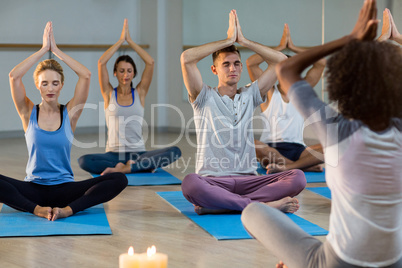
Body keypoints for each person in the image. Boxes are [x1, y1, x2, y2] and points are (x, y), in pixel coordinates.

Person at [242, 1, 402, 267]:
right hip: (395, 262)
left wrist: (350, 39)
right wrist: (396, 39)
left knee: (252, 211)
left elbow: (286, 70)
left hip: (337, 263)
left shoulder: (338, 131)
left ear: (345, 85)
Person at [180, 10, 306, 215]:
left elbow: (282, 61)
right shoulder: (203, 97)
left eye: (237, 63)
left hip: (250, 180)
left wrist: (244, 41)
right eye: (226, 64)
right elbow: (186, 58)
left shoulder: (250, 95)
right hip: (213, 182)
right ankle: (259, 206)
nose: (233, 68)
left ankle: (221, 206)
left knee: (298, 177)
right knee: (190, 184)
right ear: (214, 70)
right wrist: (228, 40)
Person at [1, 22, 128, 221]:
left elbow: (85, 75)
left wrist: (56, 51)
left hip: (65, 190)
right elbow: (13, 76)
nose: (50, 88)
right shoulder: (27, 112)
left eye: (55, 83)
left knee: (119, 179)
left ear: (61, 86)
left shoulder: (70, 112)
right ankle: (36, 209)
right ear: (38, 86)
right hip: (33, 189)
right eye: (44, 83)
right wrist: (43, 50)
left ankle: (68, 210)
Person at [78, 19, 181, 175]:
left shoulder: (140, 93)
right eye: (121, 71)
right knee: (84, 161)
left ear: (134, 74)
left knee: (175, 151)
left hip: (138, 153)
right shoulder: (108, 93)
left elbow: (150, 62)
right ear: (115, 73)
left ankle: (128, 168)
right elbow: (101, 63)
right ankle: (138, 167)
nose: (125, 75)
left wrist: (130, 41)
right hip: (113, 155)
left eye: (129, 71)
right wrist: (120, 41)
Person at [248, 24, 325, 173]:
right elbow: (251, 63)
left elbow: (321, 63)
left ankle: (289, 167)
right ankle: (304, 166)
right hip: (270, 149)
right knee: (253, 144)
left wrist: (294, 48)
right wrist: (279, 48)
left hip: (298, 150)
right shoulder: (269, 91)